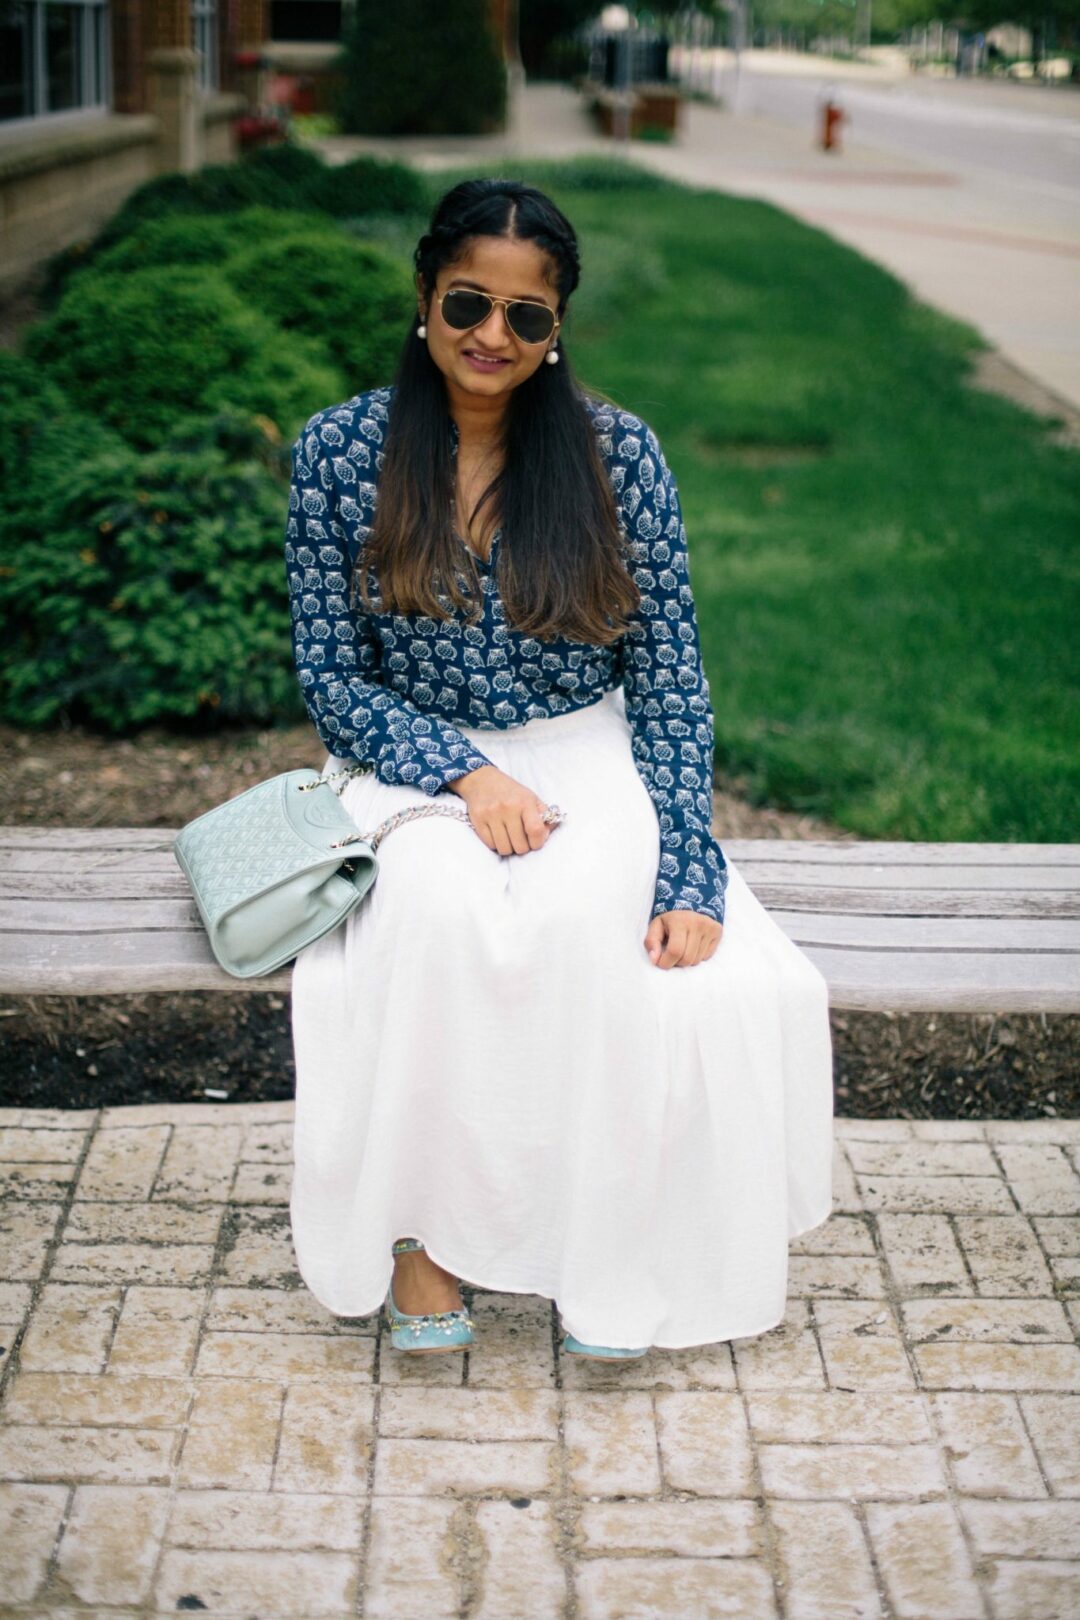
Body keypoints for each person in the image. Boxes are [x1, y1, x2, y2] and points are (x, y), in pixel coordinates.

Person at [284, 176, 834, 1361]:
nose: (494, 335)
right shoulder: (339, 452)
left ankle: (604, 1252)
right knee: (433, 914)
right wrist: (464, 775)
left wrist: (689, 866)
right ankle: (423, 1244)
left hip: (588, 750)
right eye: (470, 303)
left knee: (599, 928)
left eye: (527, 317)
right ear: (426, 298)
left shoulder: (618, 457)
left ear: (556, 331)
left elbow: (672, 680)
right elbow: (333, 679)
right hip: (406, 759)